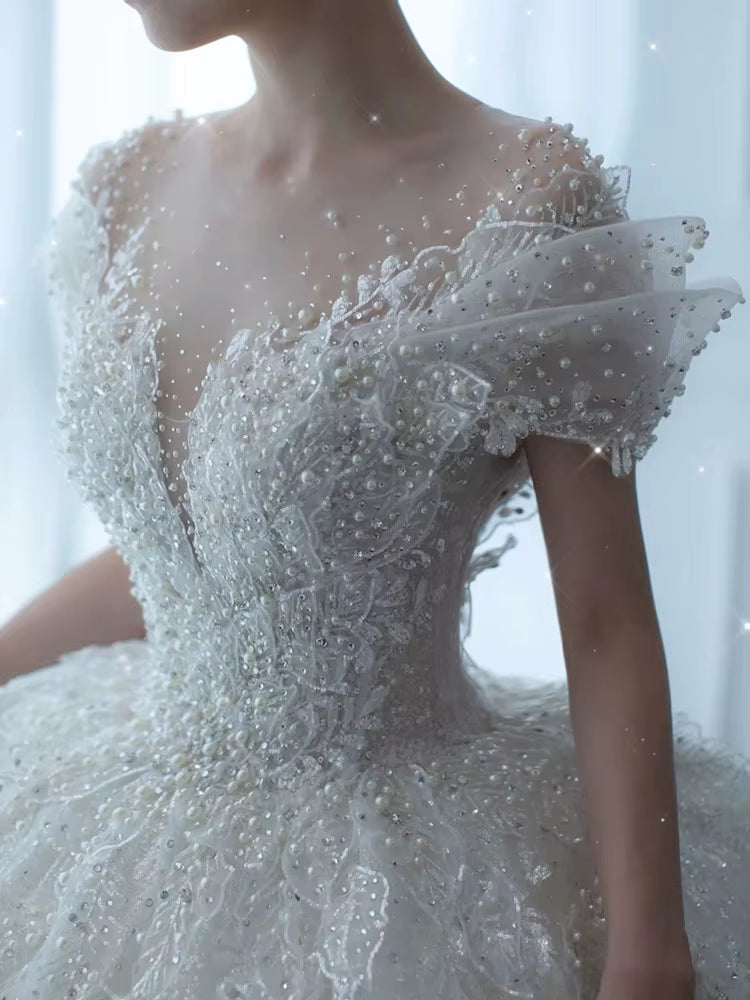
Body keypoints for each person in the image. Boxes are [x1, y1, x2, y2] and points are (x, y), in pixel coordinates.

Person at [0, 1, 747, 997]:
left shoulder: (524, 202)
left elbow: (605, 619)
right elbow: (196, 564)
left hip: (406, 883)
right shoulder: (125, 187)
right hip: (113, 819)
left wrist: (648, 952)